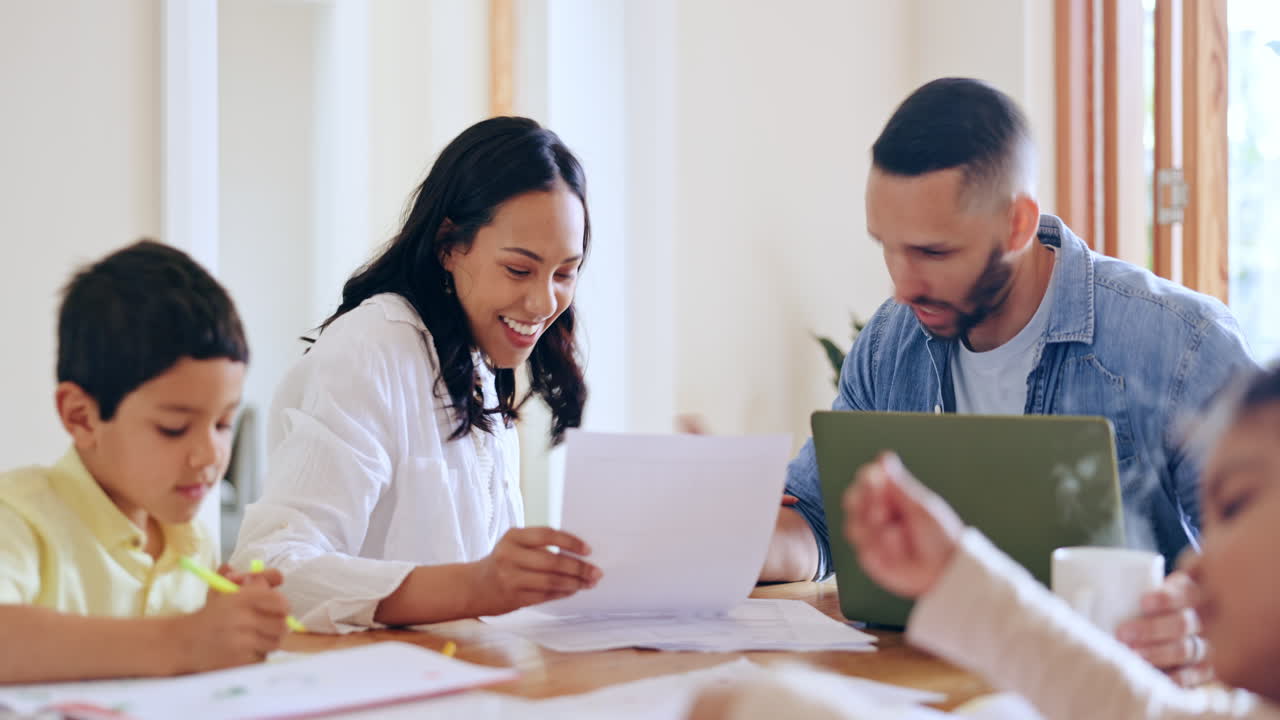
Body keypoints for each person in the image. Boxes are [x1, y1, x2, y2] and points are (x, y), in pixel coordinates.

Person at [762, 78, 1255, 677]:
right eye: (887, 247)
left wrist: (1200, 632)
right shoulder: (892, 342)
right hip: (918, 686)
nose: (902, 284)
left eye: (933, 253)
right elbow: (816, 523)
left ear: (1018, 223)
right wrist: (703, 532)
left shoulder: (1181, 342)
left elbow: (1266, 577)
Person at [696, 364, 1280, 720]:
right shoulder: (890, 347)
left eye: (1235, 505)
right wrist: (951, 566)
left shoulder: (1176, 338)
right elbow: (1137, 710)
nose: (1195, 562)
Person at [230, 117, 601, 633]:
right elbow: (271, 567)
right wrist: (476, 585)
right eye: (519, 269)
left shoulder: (476, 359)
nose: (543, 302)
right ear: (449, 244)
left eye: (565, 274)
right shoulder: (371, 347)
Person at [0, 241, 291, 683]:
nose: (211, 454)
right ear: (82, 417)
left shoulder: (192, 543)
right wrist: (185, 640)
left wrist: (227, 628)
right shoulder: (19, 517)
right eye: (174, 428)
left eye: (224, 423)